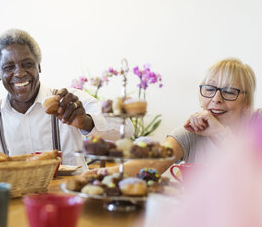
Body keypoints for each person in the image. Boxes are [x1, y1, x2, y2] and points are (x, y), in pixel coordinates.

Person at [0, 29, 133, 167]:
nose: (20, 73)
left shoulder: (70, 102)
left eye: (27, 64)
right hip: (19, 206)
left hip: (70, 200)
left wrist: (86, 122)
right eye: (8, 67)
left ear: (39, 66)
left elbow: (127, 129)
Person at [88, 58, 256, 176]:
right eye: (210, 89)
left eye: (229, 91)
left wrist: (220, 133)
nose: (216, 99)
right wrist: (106, 173)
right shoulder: (193, 131)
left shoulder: (257, 127)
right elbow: (154, 162)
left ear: (246, 102)